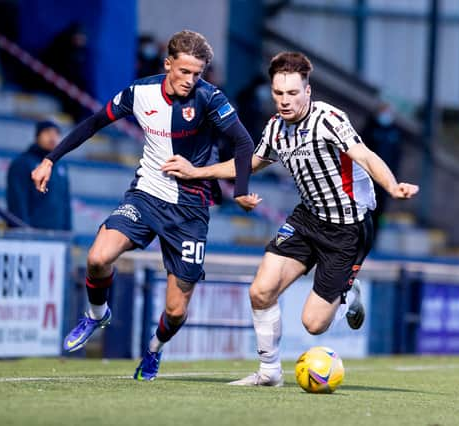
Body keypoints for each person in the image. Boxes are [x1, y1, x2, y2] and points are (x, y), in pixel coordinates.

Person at [161, 51, 419, 386]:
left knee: (313, 324)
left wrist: (392, 186)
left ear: (307, 91)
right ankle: (269, 372)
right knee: (260, 291)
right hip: (307, 218)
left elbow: (365, 155)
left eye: (292, 93)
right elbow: (249, 164)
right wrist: (198, 172)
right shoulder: (276, 129)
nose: (284, 101)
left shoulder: (329, 119)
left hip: (348, 229)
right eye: (278, 94)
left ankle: (346, 295)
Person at [31, 30, 260, 381]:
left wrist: (240, 188)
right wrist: (51, 159)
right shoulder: (140, 92)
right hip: (146, 195)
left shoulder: (210, 98)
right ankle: (96, 314)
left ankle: (153, 350)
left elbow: (244, 143)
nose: (190, 80)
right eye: (184, 71)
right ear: (167, 64)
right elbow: (94, 122)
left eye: (197, 74)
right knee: (97, 258)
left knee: (176, 310)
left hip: (190, 210)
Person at [7, 120, 72, 231]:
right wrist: (22, 229)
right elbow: (17, 200)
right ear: (37, 136)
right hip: (33, 232)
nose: (52, 137)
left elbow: (66, 202)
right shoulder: (22, 163)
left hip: (58, 233)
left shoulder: (61, 165)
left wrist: (68, 230)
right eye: (47, 132)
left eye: (56, 133)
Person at [360, 102, 405, 238]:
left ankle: (374, 237)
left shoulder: (394, 131)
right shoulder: (369, 129)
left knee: (380, 209)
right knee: (365, 209)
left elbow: (397, 156)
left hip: (385, 179)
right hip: (367, 177)